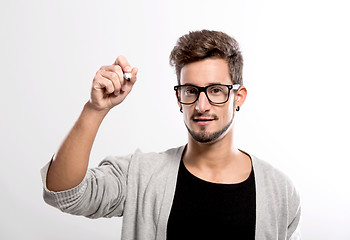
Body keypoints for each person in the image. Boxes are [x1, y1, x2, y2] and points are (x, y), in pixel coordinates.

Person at [41, 30, 301, 240]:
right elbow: (65, 193)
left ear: (238, 97)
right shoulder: (141, 175)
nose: (201, 106)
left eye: (216, 90)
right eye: (191, 90)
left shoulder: (280, 192)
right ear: (179, 97)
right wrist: (95, 110)